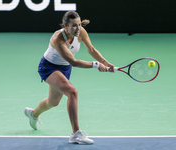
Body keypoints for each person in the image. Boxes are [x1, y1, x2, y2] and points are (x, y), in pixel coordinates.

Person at [24, 11, 114, 145]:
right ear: (65, 25)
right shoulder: (57, 39)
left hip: (65, 69)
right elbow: (74, 62)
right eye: (74, 26)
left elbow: (92, 49)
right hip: (49, 68)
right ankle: (76, 134)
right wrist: (96, 65)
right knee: (72, 92)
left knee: (53, 102)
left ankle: (33, 114)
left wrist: (106, 63)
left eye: (79, 25)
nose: (78, 29)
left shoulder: (81, 32)